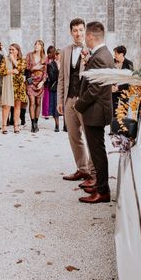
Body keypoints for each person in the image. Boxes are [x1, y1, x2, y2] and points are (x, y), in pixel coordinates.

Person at [76, 21, 114, 204]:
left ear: (90, 36)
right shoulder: (104, 53)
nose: (85, 40)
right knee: (98, 150)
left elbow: (95, 89)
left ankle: (103, 191)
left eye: (86, 37)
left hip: (95, 111)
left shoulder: (100, 57)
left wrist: (79, 104)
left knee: (97, 152)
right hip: (97, 109)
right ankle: (99, 183)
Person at [57, 18, 96, 186]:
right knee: (74, 136)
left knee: (90, 137)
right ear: (71, 32)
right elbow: (61, 78)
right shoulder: (65, 51)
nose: (78, 33)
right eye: (75, 30)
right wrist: (60, 100)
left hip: (85, 101)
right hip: (69, 99)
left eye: (81, 30)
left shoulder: (92, 51)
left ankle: (94, 174)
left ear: (85, 31)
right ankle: (82, 169)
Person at [0, 43, 26, 133]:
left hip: (18, 85)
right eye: (9, 49)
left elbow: (21, 69)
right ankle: (4, 126)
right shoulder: (5, 59)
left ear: (17, 51)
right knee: (6, 106)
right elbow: (2, 71)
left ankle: (16, 125)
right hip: (8, 85)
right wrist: (12, 71)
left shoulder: (22, 60)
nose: (10, 51)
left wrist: (13, 59)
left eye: (13, 50)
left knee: (17, 106)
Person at [25, 40, 48, 133]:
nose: (36, 46)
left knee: (38, 103)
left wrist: (43, 82)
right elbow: (25, 67)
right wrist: (33, 68)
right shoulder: (29, 55)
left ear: (42, 47)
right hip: (31, 81)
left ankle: (36, 123)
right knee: (32, 102)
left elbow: (45, 72)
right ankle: (32, 124)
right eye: (35, 44)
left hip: (40, 82)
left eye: (38, 44)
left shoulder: (44, 57)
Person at [111, 45, 134, 134]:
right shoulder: (112, 63)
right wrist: (111, 86)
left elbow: (129, 80)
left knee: (123, 110)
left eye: (116, 53)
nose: (115, 55)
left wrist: (118, 88)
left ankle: (122, 129)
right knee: (113, 111)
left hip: (124, 91)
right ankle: (113, 130)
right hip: (113, 91)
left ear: (122, 54)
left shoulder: (129, 64)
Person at [45, 46, 61, 132]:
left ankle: (66, 125)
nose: (58, 56)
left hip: (63, 88)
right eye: (57, 54)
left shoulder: (65, 64)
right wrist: (60, 72)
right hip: (54, 87)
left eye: (60, 54)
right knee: (55, 106)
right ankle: (57, 125)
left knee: (65, 106)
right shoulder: (50, 65)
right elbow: (52, 77)